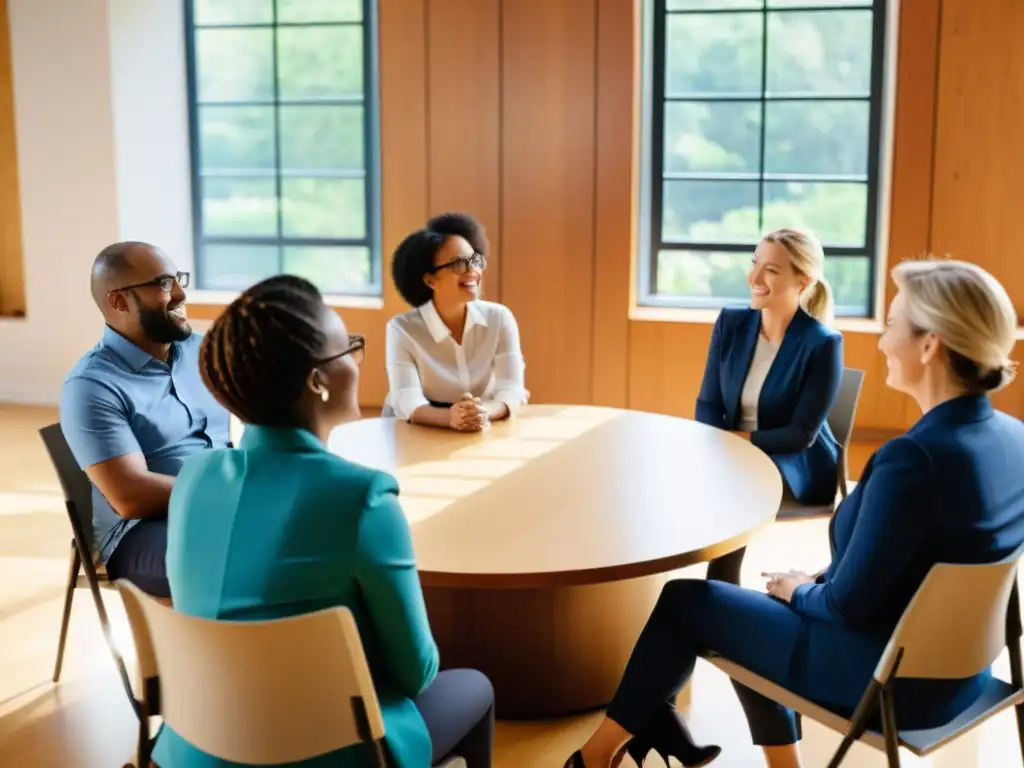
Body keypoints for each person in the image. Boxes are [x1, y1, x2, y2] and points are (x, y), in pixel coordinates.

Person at [565, 259, 1024, 768]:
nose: (883, 340)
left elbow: (847, 607)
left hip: (886, 680)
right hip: (966, 677)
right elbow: (920, 560)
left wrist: (802, 591)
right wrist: (815, 582)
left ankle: (595, 756)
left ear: (930, 344)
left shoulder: (913, 460)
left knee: (684, 602)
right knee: (756, 605)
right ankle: (665, 732)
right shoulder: (1013, 437)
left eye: (892, 324)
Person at [154, 275, 494, 768]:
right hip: (324, 752)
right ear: (317, 380)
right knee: (476, 687)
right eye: (350, 350)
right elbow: (415, 673)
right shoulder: (362, 496)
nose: (358, 362)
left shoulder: (193, 477)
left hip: (193, 746)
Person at [59, 241, 229, 599]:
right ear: (119, 302)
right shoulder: (92, 385)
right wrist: (226, 492)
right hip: (142, 534)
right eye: (164, 284)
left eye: (178, 279)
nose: (181, 293)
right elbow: (131, 495)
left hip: (220, 506)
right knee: (248, 556)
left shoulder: (202, 350)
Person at [696, 228, 844, 509]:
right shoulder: (730, 324)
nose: (754, 278)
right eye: (755, 264)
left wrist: (735, 443)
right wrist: (721, 446)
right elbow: (708, 403)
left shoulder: (823, 344)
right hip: (733, 456)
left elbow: (800, 435)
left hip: (791, 464)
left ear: (803, 282)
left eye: (772, 271)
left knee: (723, 493)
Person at [385, 212, 528, 432]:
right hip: (419, 428)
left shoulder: (500, 318)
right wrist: (450, 418)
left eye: (475, 260)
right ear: (430, 280)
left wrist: (481, 413)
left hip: (482, 425)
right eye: (459, 264)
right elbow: (406, 399)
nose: (473, 271)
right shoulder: (402, 329)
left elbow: (512, 388)